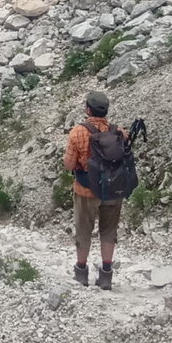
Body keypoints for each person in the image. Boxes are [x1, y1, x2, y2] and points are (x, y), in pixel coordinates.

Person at [64, 90, 131, 291]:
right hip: (113, 190)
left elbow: (69, 165)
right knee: (109, 231)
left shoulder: (78, 132)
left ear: (88, 109)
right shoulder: (119, 132)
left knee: (84, 229)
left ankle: (81, 272)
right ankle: (106, 276)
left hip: (86, 190)